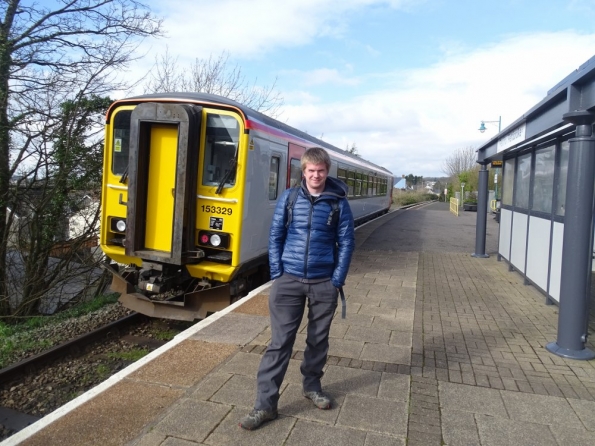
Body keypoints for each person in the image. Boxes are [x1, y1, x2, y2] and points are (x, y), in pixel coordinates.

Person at [240, 147, 355, 430]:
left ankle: (312, 386)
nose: (316, 176)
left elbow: (347, 242)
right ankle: (265, 406)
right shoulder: (289, 198)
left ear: (327, 172)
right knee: (279, 344)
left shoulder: (339, 202)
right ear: (303, 172)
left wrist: (336, 279)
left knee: (318, 340)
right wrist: (278, 274)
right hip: (288, 280)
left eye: (321, 171)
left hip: (323, 281)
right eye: (311, 171)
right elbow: (275, 234)